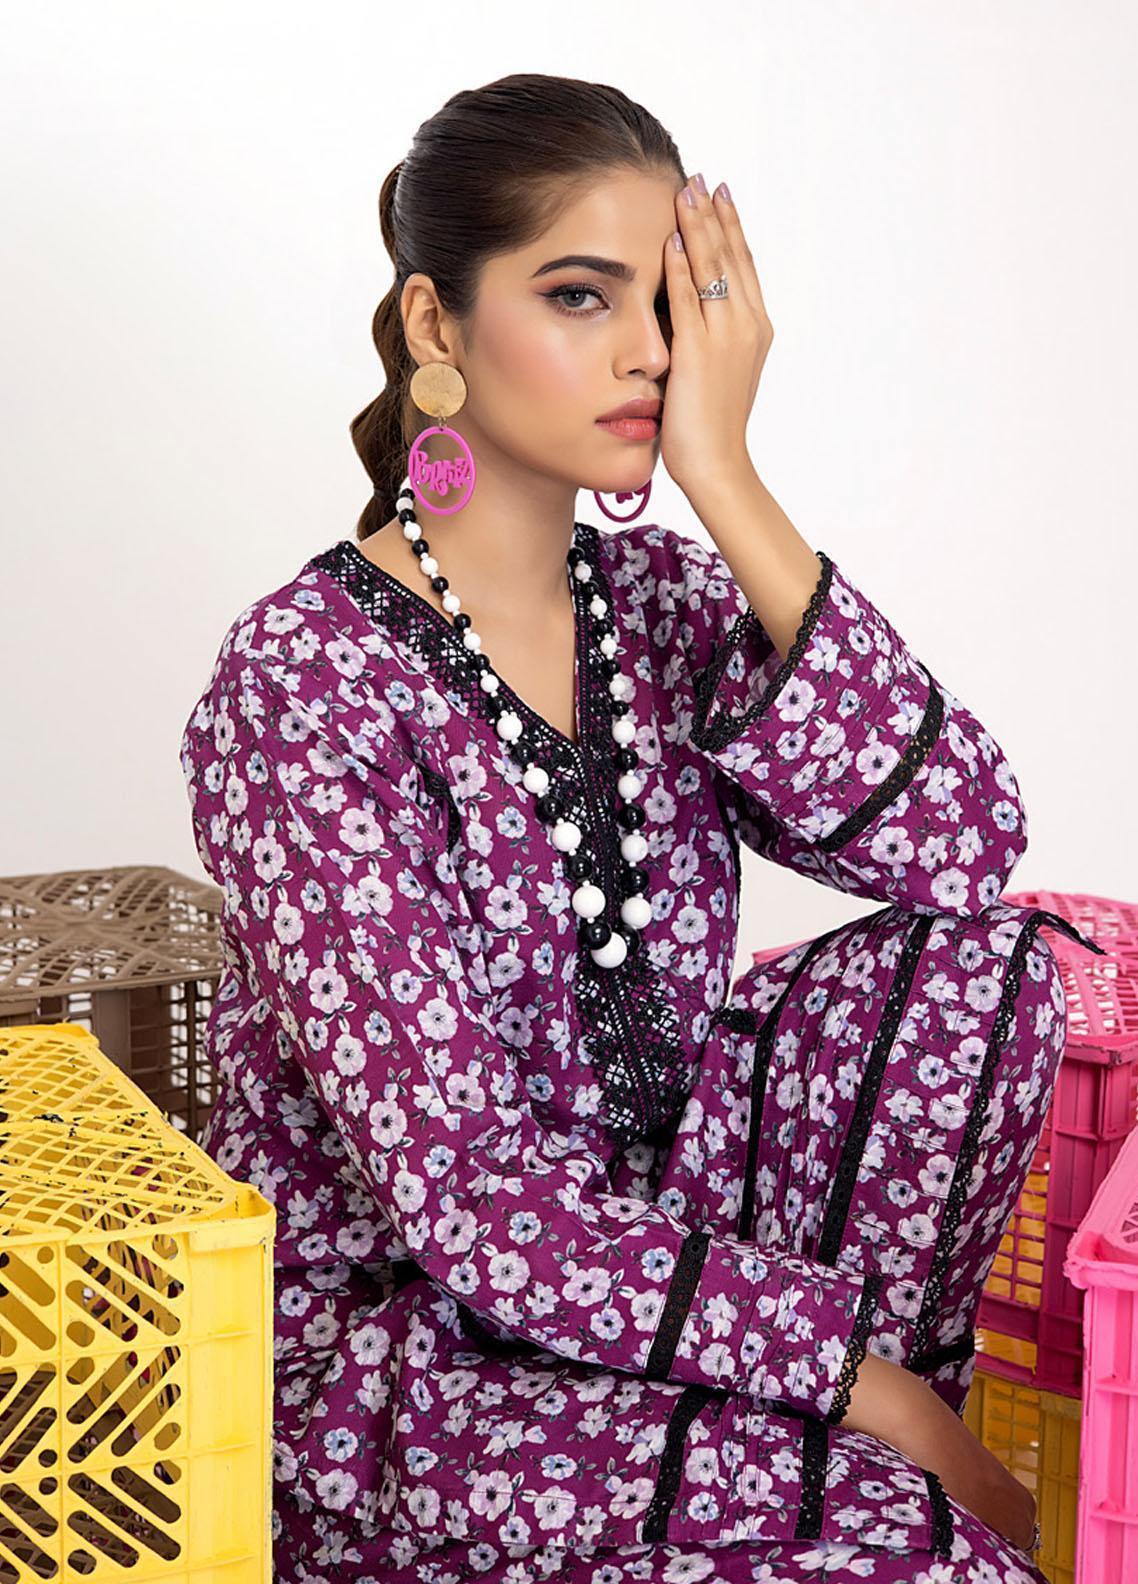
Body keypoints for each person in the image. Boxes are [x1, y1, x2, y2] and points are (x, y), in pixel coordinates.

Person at [179, 72, 1104, 1584]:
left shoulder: (657, 604)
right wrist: (857, 1383)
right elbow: (465, 1194)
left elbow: (961, 843)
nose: (650, 353)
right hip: (408, 1358)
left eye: (667, 304)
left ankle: (850, 1454)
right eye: (579, 295)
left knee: (975, 969)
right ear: (432, 324)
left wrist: (725, 476)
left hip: (662, 1259)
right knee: (911, 1547)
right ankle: (867, 1454)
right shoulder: (302, 682)